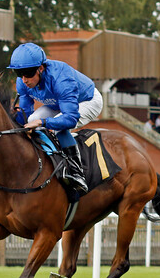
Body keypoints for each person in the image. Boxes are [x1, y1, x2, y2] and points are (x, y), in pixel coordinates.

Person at [9, 42, 103, 193]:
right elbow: (26, 115)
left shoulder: (61, 79)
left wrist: (44, 122)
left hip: (88, 101)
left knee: (57, 128)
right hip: (59, 103)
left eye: (28, 73)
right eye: (19, 74)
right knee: (33, 119)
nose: (24, 79)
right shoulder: (22, 82)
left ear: (41, 68)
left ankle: (77, 173)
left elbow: (70, 119)